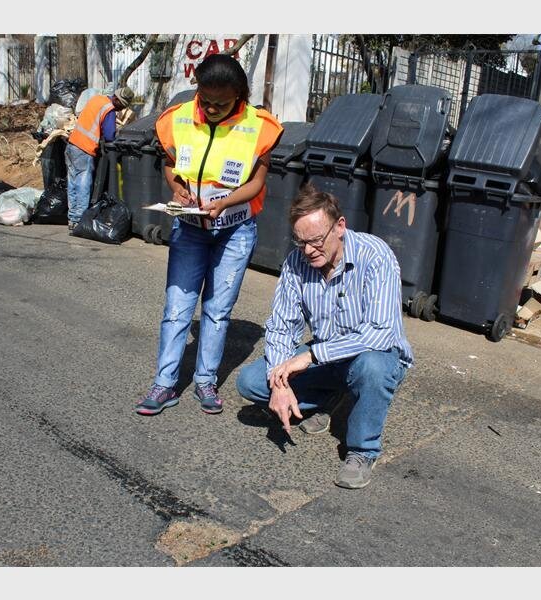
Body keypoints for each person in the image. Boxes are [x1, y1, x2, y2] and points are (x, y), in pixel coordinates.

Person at [235, 185, 414, 489]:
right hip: (325, 357)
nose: (308, 250)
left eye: (316, 240)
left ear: (339, 226)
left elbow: (381, 333)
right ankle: (326, 398)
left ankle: (362, 450)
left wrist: (310, 356)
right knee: (251, 381)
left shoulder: (375, 255)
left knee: (371, 368)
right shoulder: (297, 262)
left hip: (374, 356)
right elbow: (281, 327)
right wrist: (279, 383)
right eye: (300, 241)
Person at [135, 53, 283, 416]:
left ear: (240, 96)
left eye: (222, 103)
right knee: (177, 308)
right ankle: (164, 384)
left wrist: (226, 202)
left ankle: (206, 381)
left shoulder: (260, 127)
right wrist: (177, 189)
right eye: (206, 100)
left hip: (235, 231)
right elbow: (170, 164)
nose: (212, 109)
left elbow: (257, 181)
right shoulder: (177, 119)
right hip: (189, 229)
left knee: (217, 310)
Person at [65, 86, 134, 231]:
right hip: (84, 148)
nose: (120, 109)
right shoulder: (109, 109)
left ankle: (72, 217)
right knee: (83, 183)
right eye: (121, 106)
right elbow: (109, 136)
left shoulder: (97, 99)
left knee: (73, 181)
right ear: (117, 100)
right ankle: (79, 219)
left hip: (72, 144)